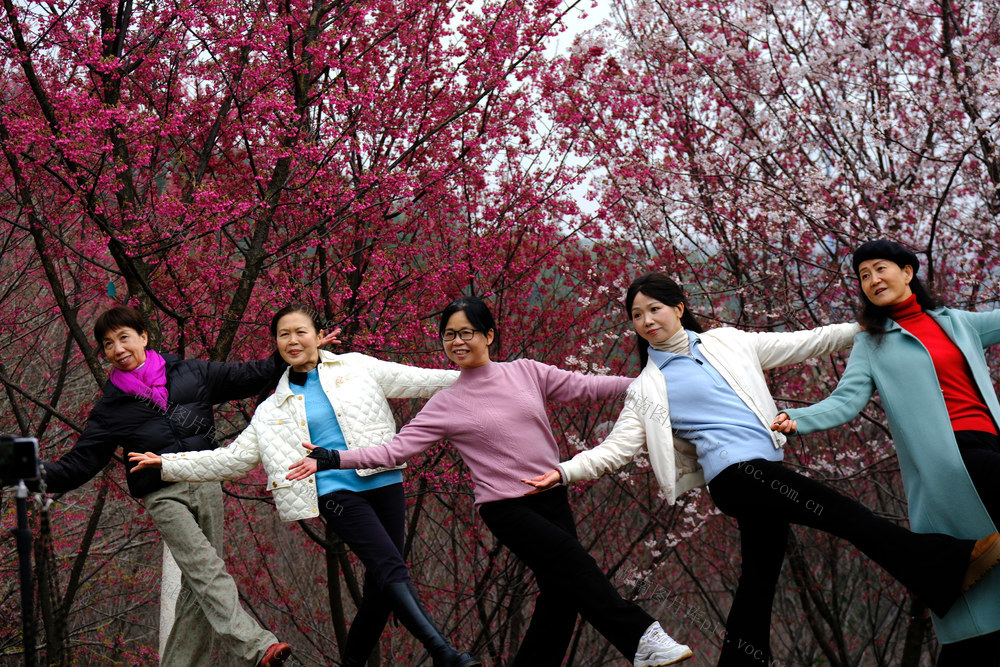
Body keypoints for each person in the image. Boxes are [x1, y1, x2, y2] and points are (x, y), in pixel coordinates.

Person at [523, 271, 1000, 667]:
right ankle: (945, 566)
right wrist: (565, 472)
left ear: (680, 306)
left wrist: (875, 325)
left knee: (760, 576)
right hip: (737, 477)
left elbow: (805, 343)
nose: (647, 321)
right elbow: (616, 448)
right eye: (637, 315)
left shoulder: (729, 343)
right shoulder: (648, 388)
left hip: (765, 468)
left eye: (654, 309)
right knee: (844, 514)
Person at [287, 295, 695, 667]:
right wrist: (335, 459)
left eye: (467, 333)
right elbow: (396, 450)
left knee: (561, 597)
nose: (457, 342)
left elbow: (586, 387)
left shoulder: (526, 373)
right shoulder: (445, 403)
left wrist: (650, 387)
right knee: (576, 566)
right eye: (449, 336)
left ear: (489, 335)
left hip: (552, 495)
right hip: (506, 507)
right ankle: (642, 637)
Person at [130, 303, 479, 667]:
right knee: (391, 568)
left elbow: (419, 380)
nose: (293, 341)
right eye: (284, 335)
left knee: (381, 588)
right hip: (334, 493)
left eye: (300, 332)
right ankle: (443, 653)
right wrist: (167, 463)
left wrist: (489, 375)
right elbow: (231, 460)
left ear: (317, 334)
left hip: (382, 479)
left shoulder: (357, 366)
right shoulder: (272, 409)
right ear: (276, 344)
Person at [772, 239, 1000, 665]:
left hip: (991, 442)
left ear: (908, 272)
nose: (873, 280)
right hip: (951, 459)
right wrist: (798, 419)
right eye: (863, 276)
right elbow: (846, 400)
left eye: (880, 269)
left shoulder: (958, 323)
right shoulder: (872, 344)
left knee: (982, 599)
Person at [33, 305, 295, 667]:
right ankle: (256, 647)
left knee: (197, 588)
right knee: (205, 568)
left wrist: (297, 349)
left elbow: (253, 375)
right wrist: (26, 472)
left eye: (124, 337)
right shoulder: (111, 408)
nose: (117, 348)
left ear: (143, 336)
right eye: (107, 344)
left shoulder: (191, 372)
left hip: (205, 480)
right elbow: (77, 467)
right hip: (162, 492)